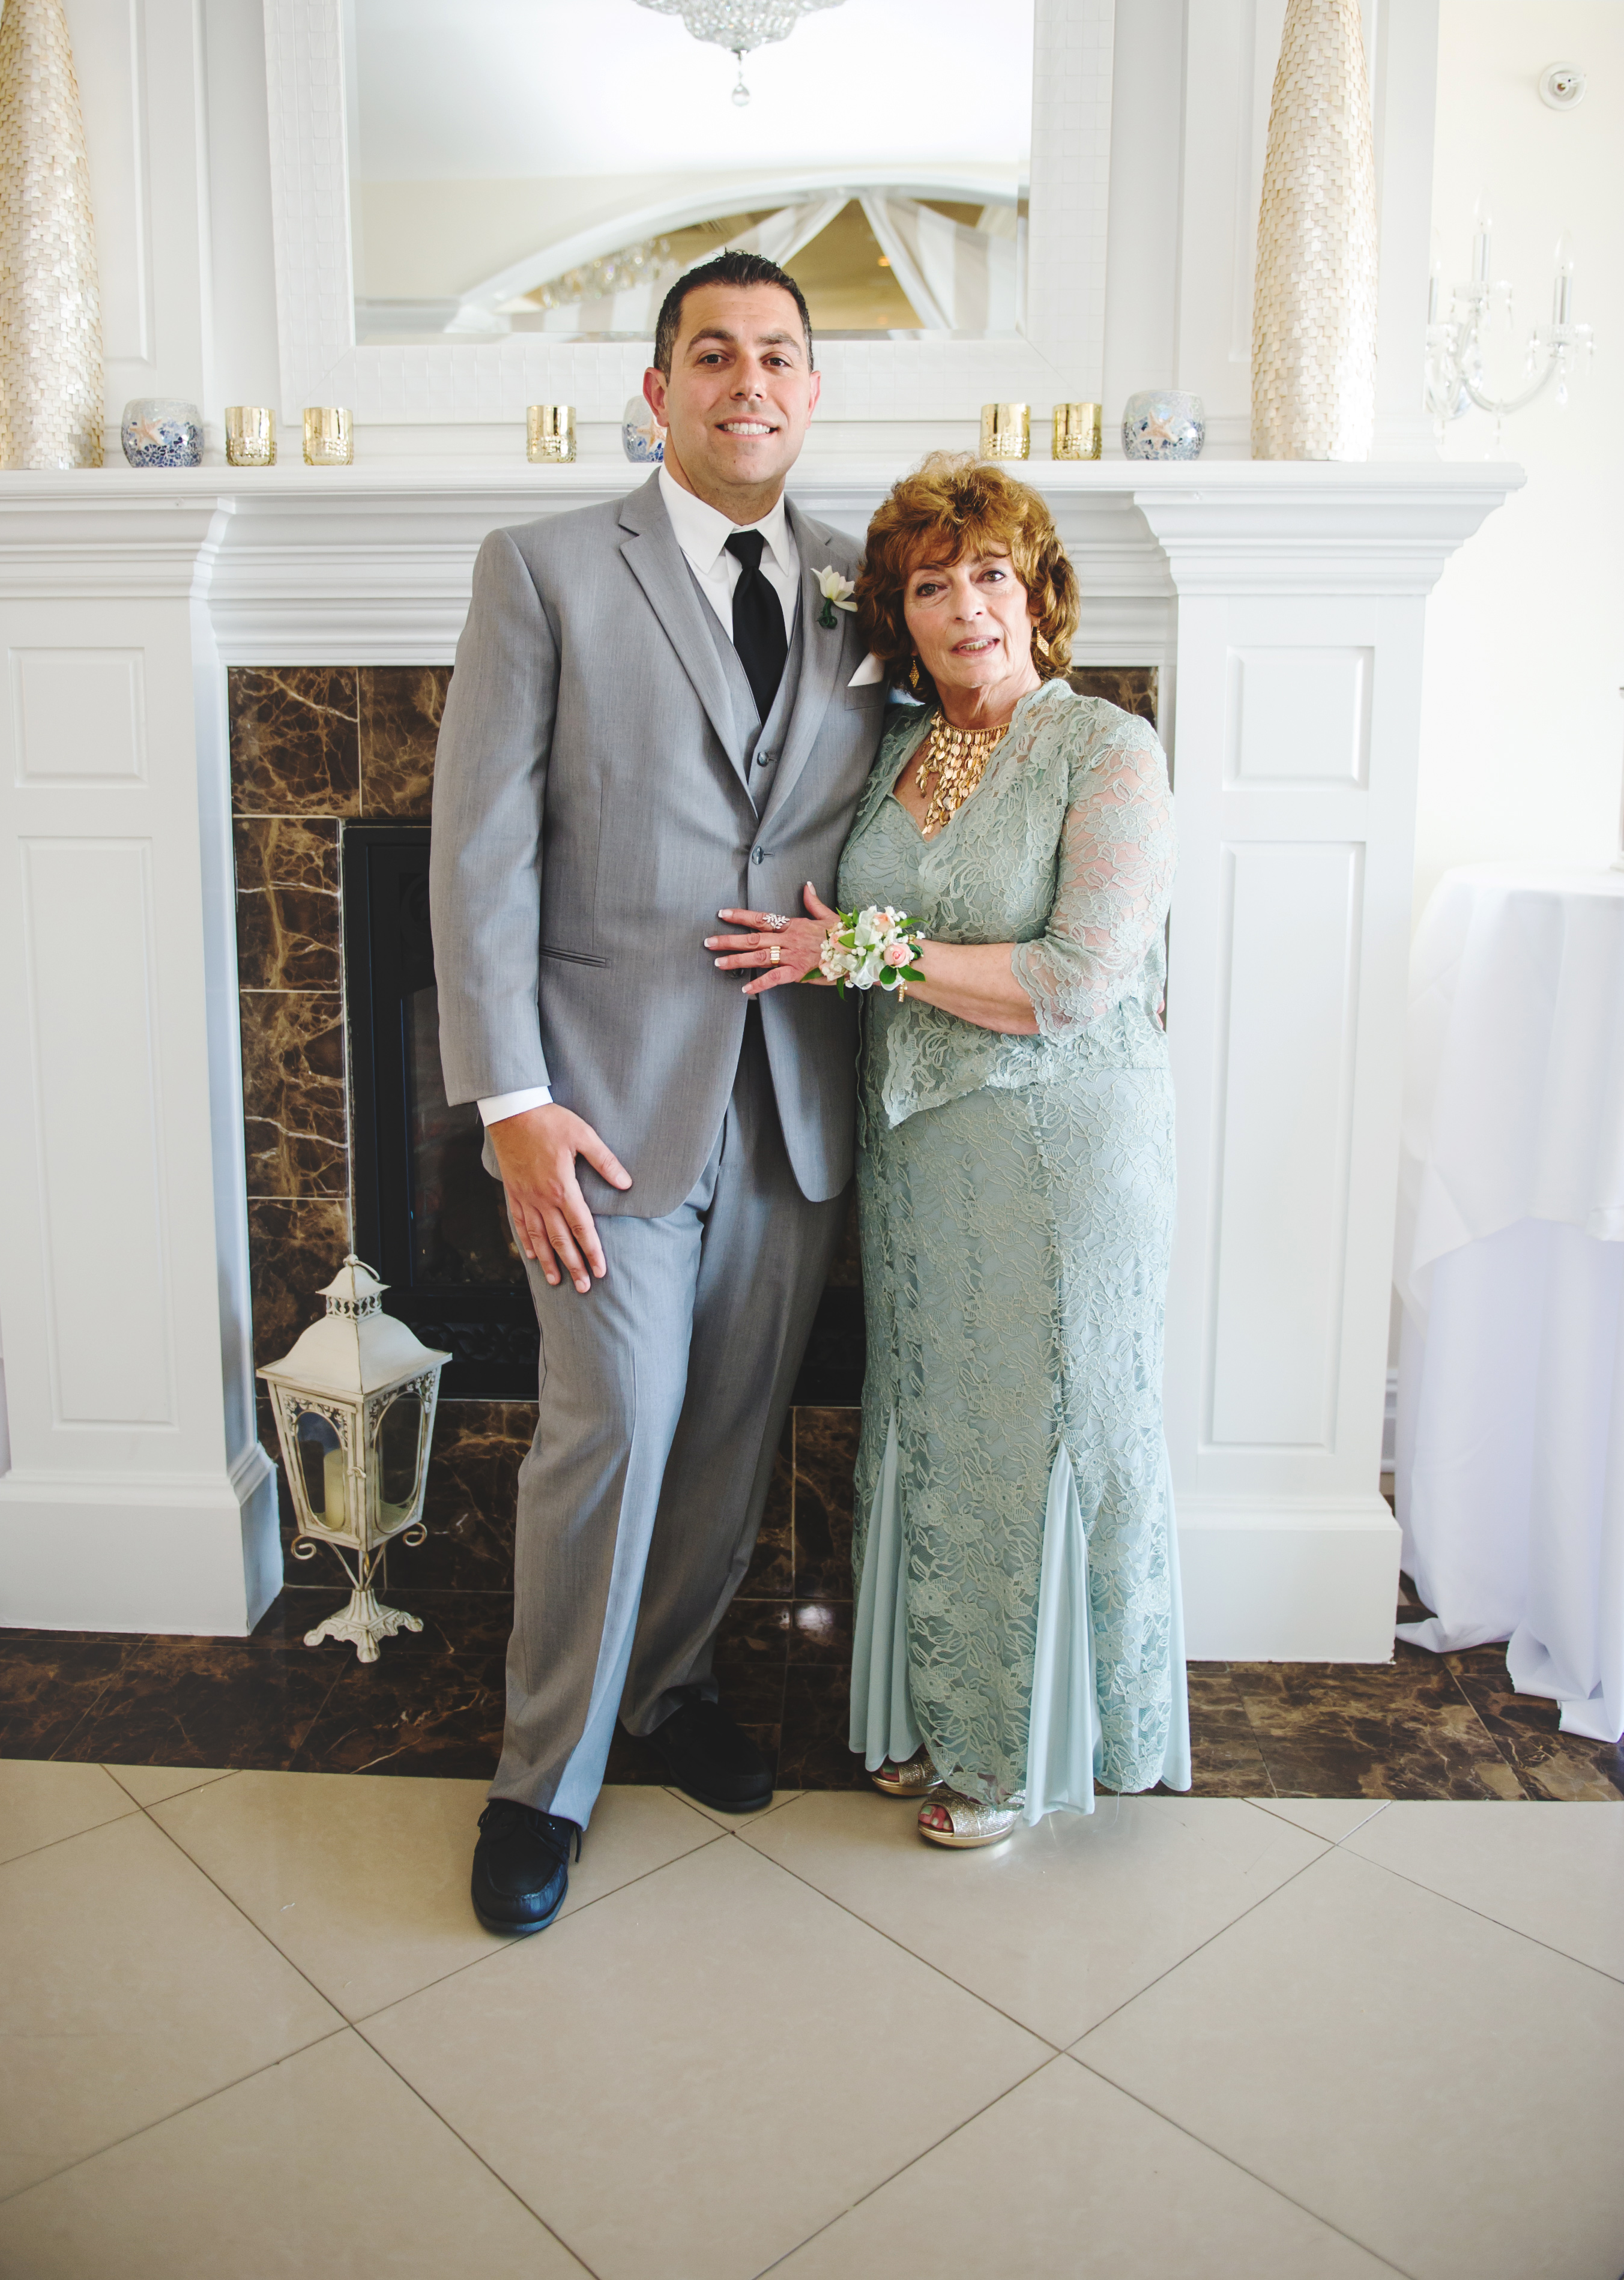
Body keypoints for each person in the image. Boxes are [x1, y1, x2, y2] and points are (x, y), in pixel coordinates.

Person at [430, 252, 887, 1933]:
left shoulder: (871, 585)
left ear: (811, 391)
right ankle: (539, 1781)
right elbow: (478, 852)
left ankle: (670, 1686)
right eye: (712, 353)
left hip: (794, 1103)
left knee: (727, 1434)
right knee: (610, 1425)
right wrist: (512, 1104)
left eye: (777, 354)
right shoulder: (544, 568)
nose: (746, 380)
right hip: (605, 1107)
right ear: (658, 389)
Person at [708, 454, 1189, 1842]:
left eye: (991, 573)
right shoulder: (893, 752)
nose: (967, 604)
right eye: (932, 583)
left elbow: (1075, 979)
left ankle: (1019, 1747)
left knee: (1040, 1429)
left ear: (1037, 593)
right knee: (936, 1425)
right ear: (898, 616)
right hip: (920, 1154)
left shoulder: (1106, 750)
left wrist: (852, 952)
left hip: (1062, 1149)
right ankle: (937, 1711)